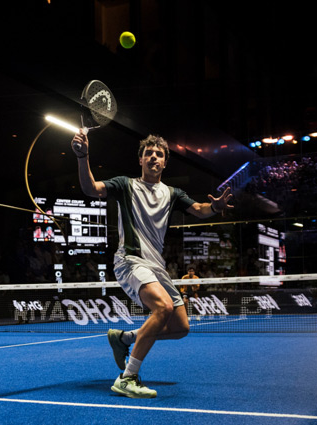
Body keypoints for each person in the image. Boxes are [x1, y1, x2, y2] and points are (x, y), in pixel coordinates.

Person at [72, 132, 233, 398]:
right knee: (163, 307)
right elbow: (90, 188)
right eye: (149, 153)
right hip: (131, 260)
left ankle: (124, 338)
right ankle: (128, 377)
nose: (153, 157)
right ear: (141, 160)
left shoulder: (172, 194)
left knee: (181, 327)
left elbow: (200, 209)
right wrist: (82, 155)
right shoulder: (125, 185)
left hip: (157, 267)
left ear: (164, 163)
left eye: (159, 154)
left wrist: (215, 208)